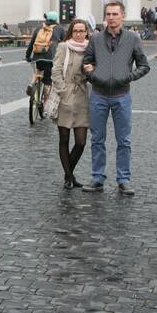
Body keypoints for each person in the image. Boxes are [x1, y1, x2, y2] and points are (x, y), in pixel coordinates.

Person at [80, 1, 150, 194]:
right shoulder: (95, 39)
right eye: (108, 14)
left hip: (122, 96)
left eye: (115, 14)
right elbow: (86, 62)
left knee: (124, 141)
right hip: (98, 95)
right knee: (97, 139)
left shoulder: (132, 38)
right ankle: (97, 177)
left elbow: (144, 66)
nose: (111, 17)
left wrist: (129, 76)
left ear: (123, 16)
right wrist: (93, 76)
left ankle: (123, 179)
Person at [52, 19, 91, 188]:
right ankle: (69, 178)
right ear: (71, 32)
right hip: (66, 95)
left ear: (86, 32)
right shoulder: (64, 46)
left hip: (82, 95)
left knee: (81, 141)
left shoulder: (91, 48)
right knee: (64, 138)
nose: (79, 34)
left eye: (82, 31)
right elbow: (56, 71)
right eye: (76, 31)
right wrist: (62, 90)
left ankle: (69, 174)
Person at [26, 11, 64, 87]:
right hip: (51, 57)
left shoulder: (39, 28)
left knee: (38, 70)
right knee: (48, 81)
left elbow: (32, 43)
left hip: (37, 57)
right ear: (56, 19)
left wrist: (28, 56)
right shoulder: (60, 28)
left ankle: (32, 84)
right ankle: (46, 98)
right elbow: (64, 44)